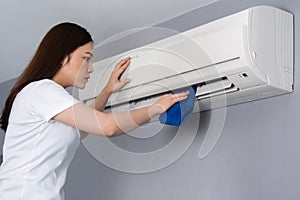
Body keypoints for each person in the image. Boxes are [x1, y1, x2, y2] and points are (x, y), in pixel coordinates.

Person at [0, 22, 189, 199]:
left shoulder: (49, 101)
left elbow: (83, 129)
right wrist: (156, 107)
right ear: (62, 57)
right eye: (86, 59)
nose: (91, 69)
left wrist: (107, 91)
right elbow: (108, 127)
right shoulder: (41, 90)